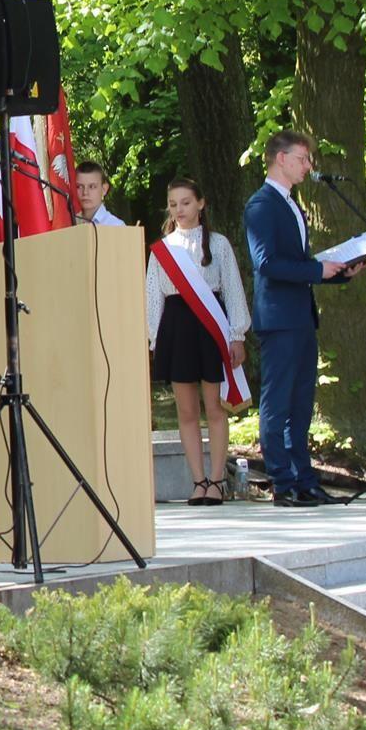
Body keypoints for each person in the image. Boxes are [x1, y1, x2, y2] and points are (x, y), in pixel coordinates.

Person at [246, 130, 353, 507]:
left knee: (301, 404)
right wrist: (316, 271)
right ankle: (281, 480)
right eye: (303, 159)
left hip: (300, 316)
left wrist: (337, 272)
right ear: (281, 159)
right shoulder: (262, 205)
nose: (309, 167)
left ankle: (303, 479)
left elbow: (299, 263)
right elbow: (267, 263)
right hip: (279, 319)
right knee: (278, 404)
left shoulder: (291, 203)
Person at [146, 178, 249, 507]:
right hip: (176, 328)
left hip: (210, 327)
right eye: (174, 204)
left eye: (186, 202)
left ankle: (217, 480)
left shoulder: (217, 245)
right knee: (186, 410)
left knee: (214, 407)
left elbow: (233, 290)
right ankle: (198, 481)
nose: (179, 210)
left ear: (201, 204)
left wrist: (237, 334)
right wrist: (153, 339)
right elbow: (153, 296)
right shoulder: (163, 249)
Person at [75, 162, 126, 227]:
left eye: (92, 186)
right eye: (79, 186)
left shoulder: (116, 226)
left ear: (104, 189)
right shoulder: (68, 224)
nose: (85, 192)